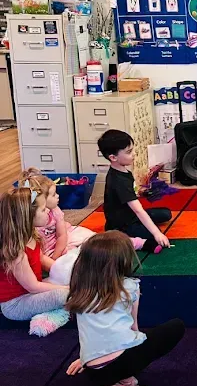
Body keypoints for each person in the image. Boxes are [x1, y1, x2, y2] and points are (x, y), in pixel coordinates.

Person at [65, 231, 185, 386]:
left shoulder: (80, 290)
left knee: (114, 351)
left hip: (93, 369)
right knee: (176, 326)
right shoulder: (129, 287)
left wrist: (86, 358)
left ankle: (112, 385)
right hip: (122, 362)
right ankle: (121, 378)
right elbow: (133, 327)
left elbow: (89, 332)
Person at [21, 168, 157, 257]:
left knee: (96, 241)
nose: (58, 196)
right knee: (89, 256)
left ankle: (137, 243)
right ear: (41, 200)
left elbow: (62, 235)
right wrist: (55, 261)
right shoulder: (31, 222)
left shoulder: (55, 212)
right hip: (54, 251)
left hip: (67, 238)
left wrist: (56, 256)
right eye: (53, 195)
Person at [0, 184, 68, 321]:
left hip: (32, 290)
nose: (48, 211)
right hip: (16, 303)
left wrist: (63, 270)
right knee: (64, 295)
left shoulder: (32, 234)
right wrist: (67, 288)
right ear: (28, 216)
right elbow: (33, 286)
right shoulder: (16, 252)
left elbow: (41, 258)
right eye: (43, 210)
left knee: (70, 278)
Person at [97, 130, 171, 251]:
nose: (134, 154)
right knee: (155, 237)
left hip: (130, 215)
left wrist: (141, 192)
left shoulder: (123, 171)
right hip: (122, 225)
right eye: (129, 152)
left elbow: (131, 193)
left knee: (166, 213)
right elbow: (138, 210)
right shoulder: (118, 180)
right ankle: (123, 237)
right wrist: (157, 233)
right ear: (113, 157)